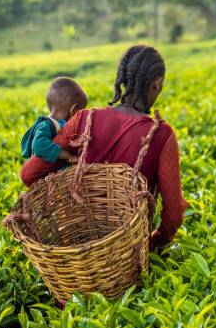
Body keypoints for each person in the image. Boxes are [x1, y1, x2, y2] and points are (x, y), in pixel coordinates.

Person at [20, 45, 187, 250]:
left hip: (80, 244)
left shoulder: (84, 119)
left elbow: (29, 174)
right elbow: (174, 212)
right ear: (157, 84)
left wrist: (69, 169)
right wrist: (155, 241)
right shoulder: (161, 134)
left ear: (123, 77)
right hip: (130, 248)